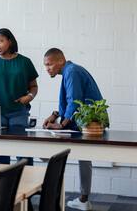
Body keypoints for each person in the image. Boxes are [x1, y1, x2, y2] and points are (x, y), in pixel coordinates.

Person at [43, 48, 103, 211]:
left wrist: (61, 124)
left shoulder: (71, 72)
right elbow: (71, 100)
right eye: (45, 65)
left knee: (46, 148)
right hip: (82, 122)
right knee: (83, 157)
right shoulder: (71, 70)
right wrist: (55, 115)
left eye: (49, 64)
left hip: (85, 123)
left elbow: (74, 101)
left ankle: (53, 195)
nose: (47, 68)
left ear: (60, 61)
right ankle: (83, 200)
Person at [0, 28, 39, 165]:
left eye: (0, 41)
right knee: (0, 154)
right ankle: (1, 186)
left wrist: (29, 96)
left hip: (19, 112)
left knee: (23, 154)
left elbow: (34, 87)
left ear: (10, 41)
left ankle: (25, 184)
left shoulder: (25, 62)